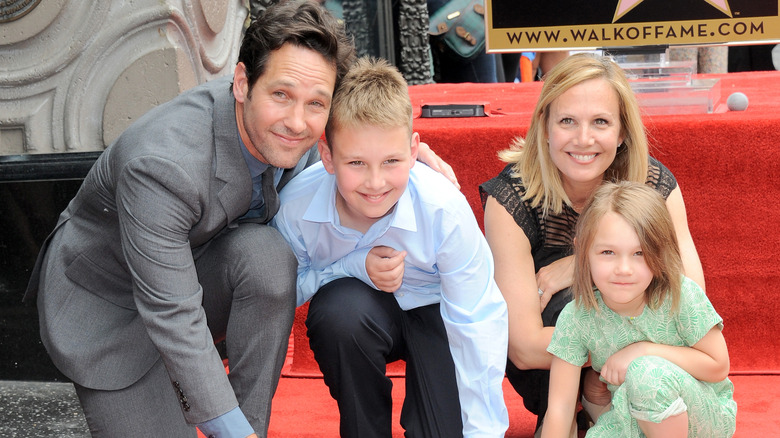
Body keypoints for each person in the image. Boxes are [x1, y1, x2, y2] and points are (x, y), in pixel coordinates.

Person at [23, 1, 456, 437]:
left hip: (198, 272)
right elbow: (172, 312)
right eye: (281, 94)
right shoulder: (161, 164)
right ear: (243, 82)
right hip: (110, 308)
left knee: (267, 255)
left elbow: (358, 137)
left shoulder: (300, 134)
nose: (296, 121)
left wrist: (408, 162)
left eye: (315, 103)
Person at [271, 57, 509, 437]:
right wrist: (351, 266)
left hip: (438, 316)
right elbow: (281, 292)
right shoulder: (297, 208)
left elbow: (476, 321)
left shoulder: (443, 208)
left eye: (392, 161)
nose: (375, 182)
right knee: (338, 313)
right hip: (363, 315)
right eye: (357, 163)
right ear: (328, 157)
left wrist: (484, 432)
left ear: (414, 151)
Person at [479, 53, 706, 436]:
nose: (583, 139)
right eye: (567, 121)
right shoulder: (511, 198)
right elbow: (523, 346)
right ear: (545, 126)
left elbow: (691, 303)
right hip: (551, 371)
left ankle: (612, 406)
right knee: (573, 303)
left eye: (600, 122)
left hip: (644, 366)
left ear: (621, 132)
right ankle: (566, 413)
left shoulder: (654, 184)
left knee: (606, 287)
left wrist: (580, 263)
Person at [542, 181, 737, 437]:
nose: (624, 268)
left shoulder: (680, 294)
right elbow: (560, 406)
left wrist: (644, 351)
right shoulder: (577, 316)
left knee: (646, 373)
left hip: (704, 415)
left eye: (639, 253)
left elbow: (717, 366)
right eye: (608, 252)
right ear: (583, 252)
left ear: (660, 252)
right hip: (630, 416)